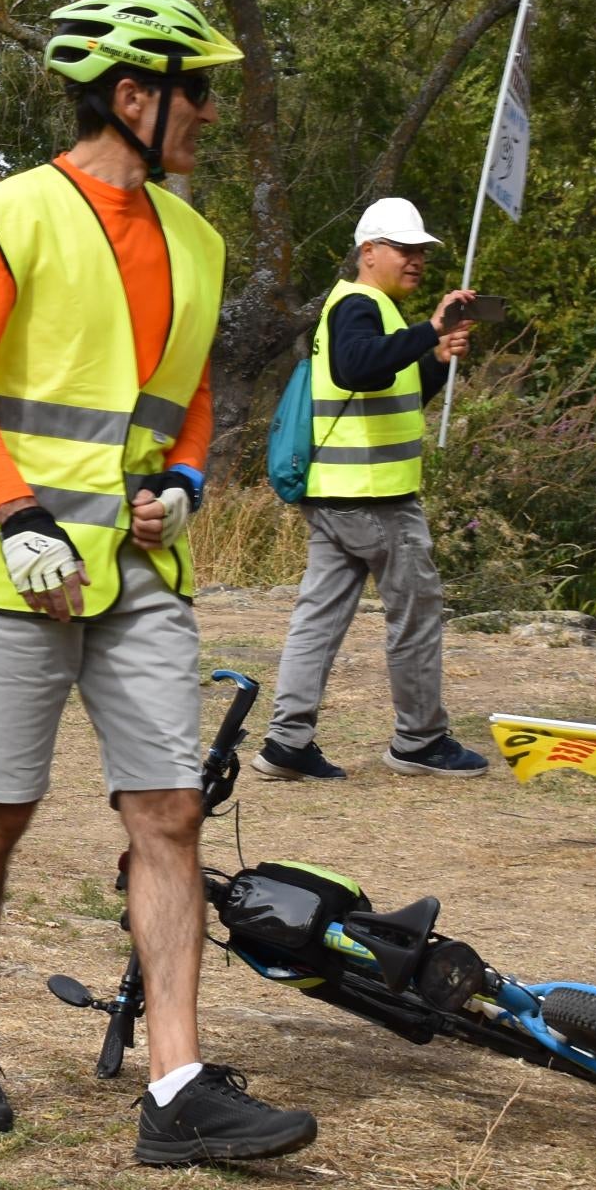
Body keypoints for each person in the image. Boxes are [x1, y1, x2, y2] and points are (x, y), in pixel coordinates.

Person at [0, 0, 315, 1166]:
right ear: (134, 94)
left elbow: (187, 397)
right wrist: (17, 513)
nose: (208, 113)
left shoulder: (197, 239)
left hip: (144, 566)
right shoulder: (12, 214)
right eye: (196, 90)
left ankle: (178, 1083)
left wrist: (189, 480)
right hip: (17, 569)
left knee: (171, 808)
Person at [251, 197, 485, 783]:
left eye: (422, 252)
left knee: (319, 617)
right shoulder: (361, 304)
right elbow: (358, 367)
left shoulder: (370, 310)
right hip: (376, 499)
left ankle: (286, 741)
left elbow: (390, 395)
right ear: (369, 252)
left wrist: (433, 356)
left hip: (336, 493)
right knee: (415, 613)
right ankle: (420, 739)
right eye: (405, 249)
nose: (417, 261)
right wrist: (429, 328)